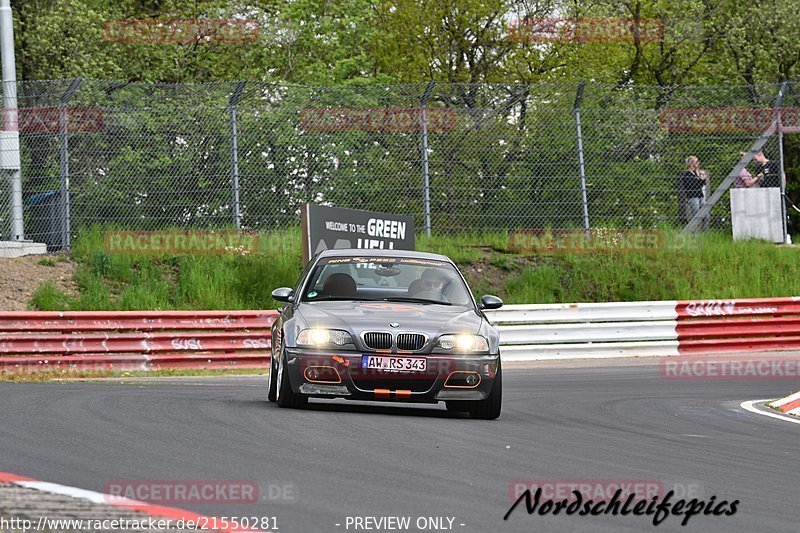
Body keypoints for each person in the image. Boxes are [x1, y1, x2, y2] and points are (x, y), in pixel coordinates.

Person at [677, 156, 709, 229]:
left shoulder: (696, 173)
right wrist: (702, 179)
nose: (698, 163)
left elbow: (702, 185)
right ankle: (694, 234)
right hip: (693, 197)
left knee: (706, 215)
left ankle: (705, 234)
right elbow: (695, 186)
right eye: (696, 162)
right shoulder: (687, 175)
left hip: (700, 196)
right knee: (696, 216)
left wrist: (703, 178)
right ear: (691, 164)